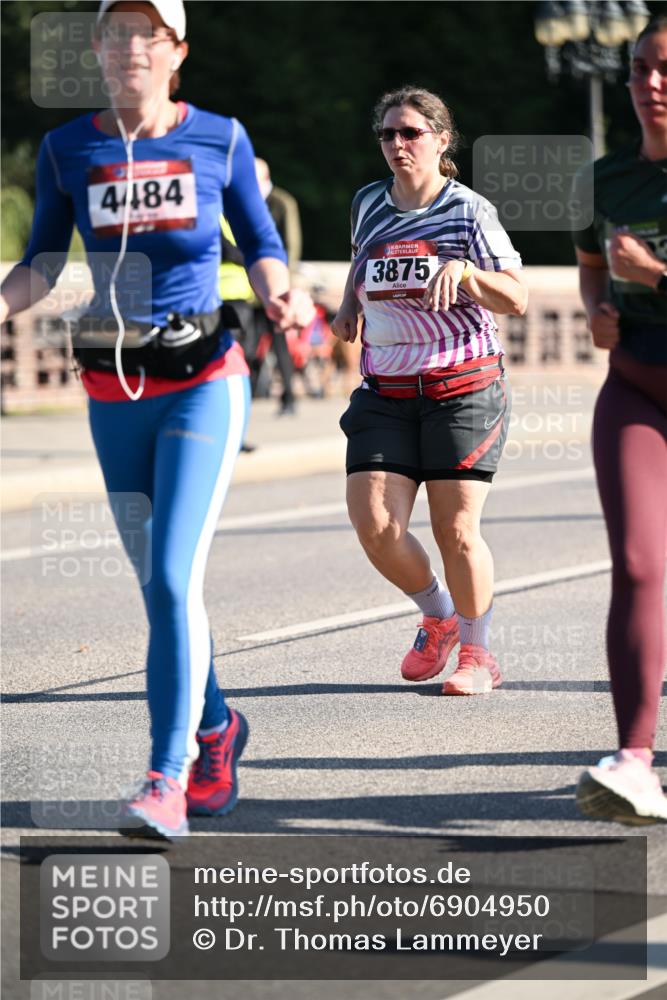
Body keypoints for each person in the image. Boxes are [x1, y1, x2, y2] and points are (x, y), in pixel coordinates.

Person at [0, 0, 312, 840]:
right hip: (112, 389)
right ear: (97, 50)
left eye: (148, 35)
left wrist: (281, 293)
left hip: (203, 378)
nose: (131, 47)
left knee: (174, 579)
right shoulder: (68, 148)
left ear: (177, 52)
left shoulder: (219, 138)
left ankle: (164, 779)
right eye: (116, 33)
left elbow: (260, 241)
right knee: (155, 587)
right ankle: (217, 729)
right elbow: (41, 262)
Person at [332, 86, 527, 695]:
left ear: (442, 141)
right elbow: (363, 260)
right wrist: (348, 306)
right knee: (375, 524)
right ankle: (439, 616)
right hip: (385, 388)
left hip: (461, 387)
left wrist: (466, 271)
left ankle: (477, 653)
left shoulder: (468, 211)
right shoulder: (368, 201)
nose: (397, 144)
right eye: (388, 133)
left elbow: (516, 296)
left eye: (411, 132)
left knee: (456, 529)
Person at [573, 17, 667, 824]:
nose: (649, 84)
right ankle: (634, 760)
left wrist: (655, 274)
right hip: (634, 388)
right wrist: (599, 309)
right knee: (637, 565)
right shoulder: (603, 180)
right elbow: (589, 270)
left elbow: (635, 266)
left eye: (664, 69)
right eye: (638, 68)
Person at [254, 157, 303, 414]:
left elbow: (291, 243)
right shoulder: (249, 202)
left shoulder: (282, 202)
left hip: (277, 283)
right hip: (250, 287)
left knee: (280, 343)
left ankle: (289, 396)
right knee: (250, 343)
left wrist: (285, 283)